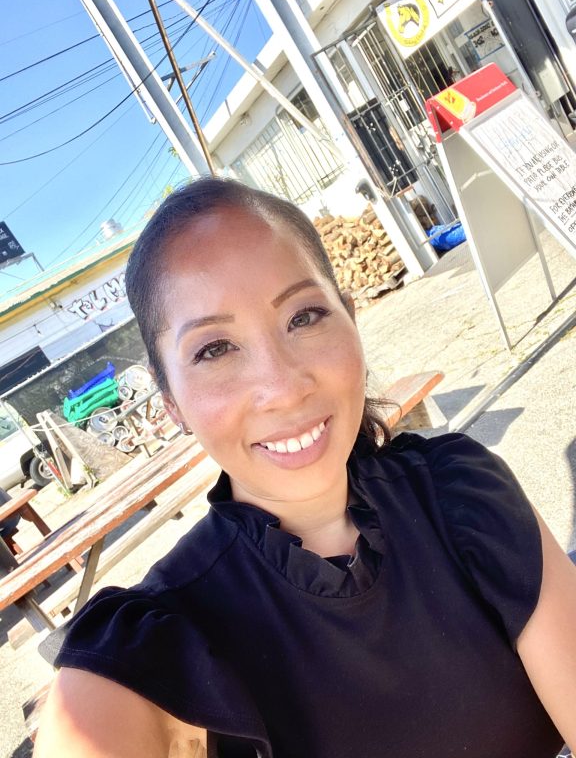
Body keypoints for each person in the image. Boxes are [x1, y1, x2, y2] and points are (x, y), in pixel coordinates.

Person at [34, 178, 576, 758]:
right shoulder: (153, 646)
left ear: (349, 314)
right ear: (171, 401)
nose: (283, 387)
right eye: (214, 349)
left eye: (304, 316)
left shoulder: (461, 492)